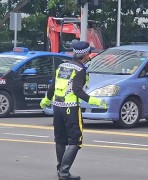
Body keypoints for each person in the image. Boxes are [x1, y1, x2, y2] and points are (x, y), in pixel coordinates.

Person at [39, 41, 107, 180]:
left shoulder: (62, 66)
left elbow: (52, 87)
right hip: (70, 108)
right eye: (89, 53)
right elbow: (77, 91)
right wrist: (96, 101)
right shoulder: (80, 70)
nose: (90, 56)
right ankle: (64, 173)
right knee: (75, 140)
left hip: (57, 107)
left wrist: (46, 101)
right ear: (85, 54)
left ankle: (60, 170)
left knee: (60, 139)